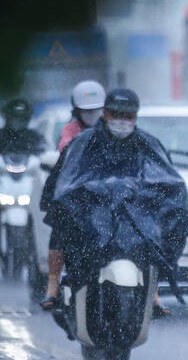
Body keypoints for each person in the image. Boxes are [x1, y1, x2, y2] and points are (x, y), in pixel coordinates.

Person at [43, 87, 188, 316]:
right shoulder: (83, 142)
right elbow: (66, 182)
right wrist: (89, 195)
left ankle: (152, 290)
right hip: (93, 214)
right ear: (105, 113)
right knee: (63, 216)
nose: (122, 121)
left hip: (134, 216)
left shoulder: (147, 143)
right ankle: (54, 287)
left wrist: (147, 196)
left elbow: (167, 181)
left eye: (128, 116)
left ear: (136, 117)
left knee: (160, 229)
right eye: (116, 115)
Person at [40, 80, 106, 310]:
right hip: (78, 195)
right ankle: (52, 285)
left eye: (96, 110)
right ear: (76, 110)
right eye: (86, 111)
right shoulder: (70, 130)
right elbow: (67, 154)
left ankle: (152, 291)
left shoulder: (114, 129)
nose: (91, 115)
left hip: (108, 195)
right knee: (59, 226)